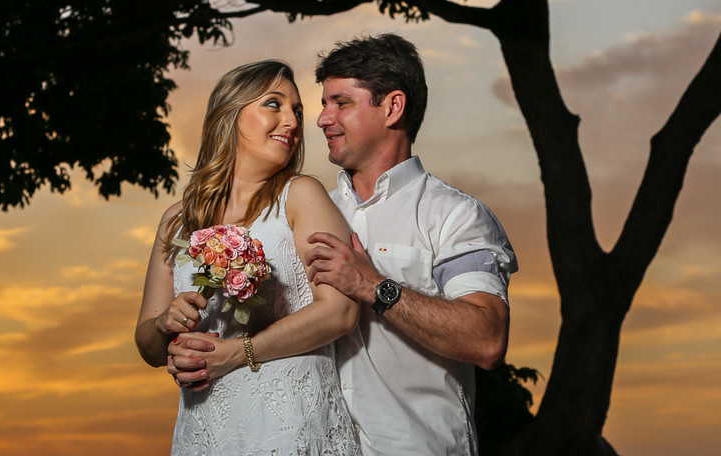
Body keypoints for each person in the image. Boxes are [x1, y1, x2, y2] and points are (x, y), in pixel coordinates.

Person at [170, 34, 517, 456]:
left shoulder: (453, 215)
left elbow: (487, 340)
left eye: (341, 103)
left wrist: (374, 286)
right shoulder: (294, 212)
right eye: (322, 104)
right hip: (312, 440)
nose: (320, 119)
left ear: (392, 107)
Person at [135, 60, 362, 455]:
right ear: (230, 114)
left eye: (296, 111)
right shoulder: (176, 221)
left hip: (289, 425)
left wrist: (237, 354)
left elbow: (339, 312)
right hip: (205, 430)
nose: (291, 121)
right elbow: (147, 345)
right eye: (273, 104)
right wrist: (164, 324)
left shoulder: (301, 195)